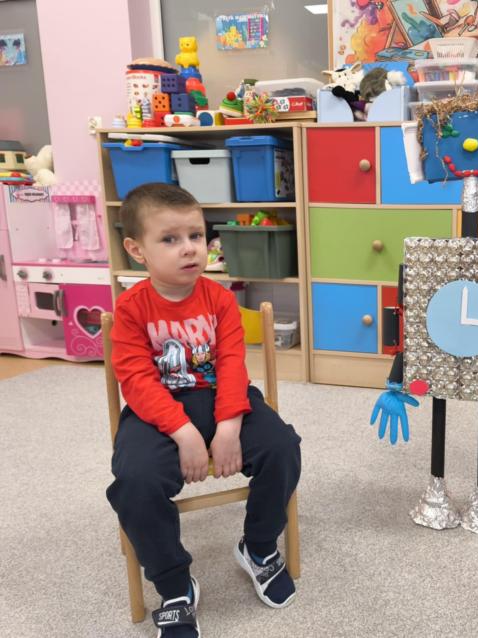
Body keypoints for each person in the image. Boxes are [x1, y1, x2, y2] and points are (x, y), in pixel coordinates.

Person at [106, 183, 301, 637]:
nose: (189, 248)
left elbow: (232, 364)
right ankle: (174, 586)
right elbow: (136, 380)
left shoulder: (220, 299)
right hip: (158, 412)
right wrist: (183, 432)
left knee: (282, 447)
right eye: (170, 239)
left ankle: (258, 547)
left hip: (222, 400)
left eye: (195, 235)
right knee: (135, 481)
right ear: (137, 250)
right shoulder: (131, 308)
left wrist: (228, 425)